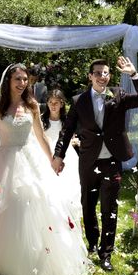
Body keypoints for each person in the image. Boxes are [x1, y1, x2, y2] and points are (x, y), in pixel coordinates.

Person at [0, 63, 89, 275]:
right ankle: (5, 258)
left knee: (33, 204)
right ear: (8, 82)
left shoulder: (32, 105)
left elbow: (41, 137)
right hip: (5, 163)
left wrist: (53, 160)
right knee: (9, 207)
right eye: (17, 79)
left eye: (24, 79)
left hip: (31, 160)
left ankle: (34, 259)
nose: (21, 83)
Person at [52, 57, 138, 272]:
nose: (102, 77)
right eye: (97, 73)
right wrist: (59, 155)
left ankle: (106, 253)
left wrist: (134, 74)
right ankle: (92, 244)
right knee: (88, 205)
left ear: (109, 76)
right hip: (88, 160)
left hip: (112, 161)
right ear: (90, 76)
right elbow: (67, 129)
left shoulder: (118, 95)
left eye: (105, 73)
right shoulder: (79, 101)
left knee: (110, 209)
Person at [42, 89, 82, 219]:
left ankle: (67, 214)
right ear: (47, 103)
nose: (53, 105)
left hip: (65, 153)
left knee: (68, 186)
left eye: (56, 102)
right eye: (50, 102)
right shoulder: (42, 120)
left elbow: (72, 135)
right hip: (46, 153)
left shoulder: (67, 120)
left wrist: (75, 141)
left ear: (62, 104)